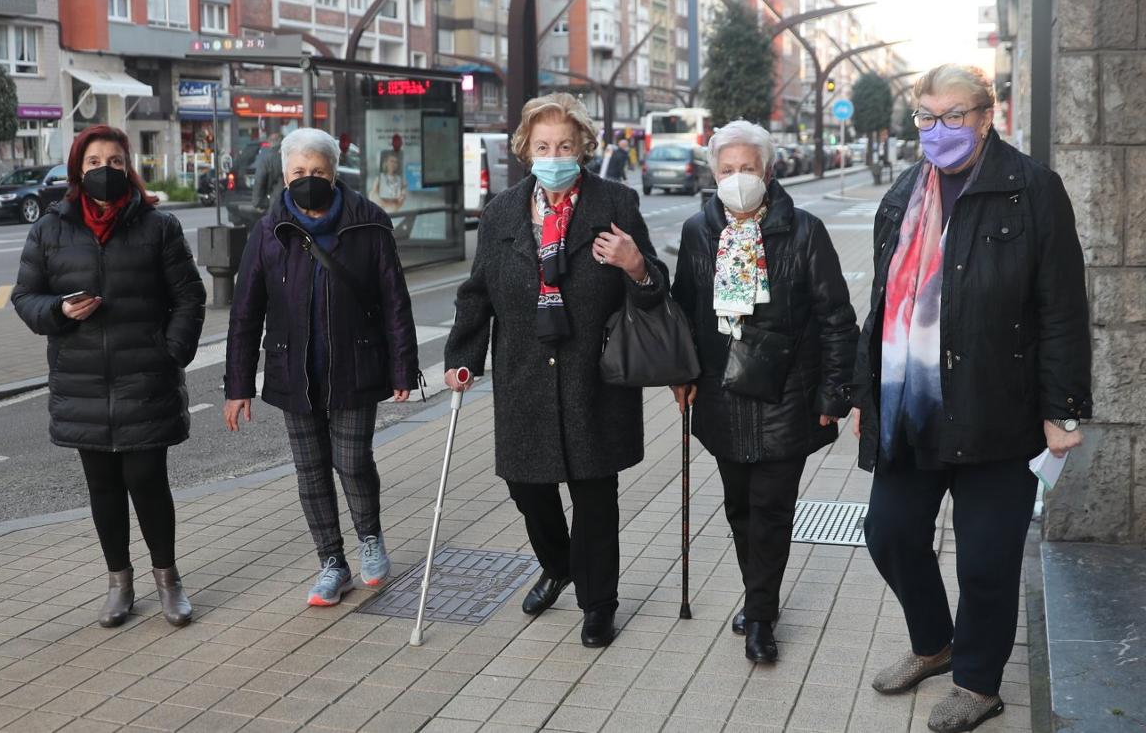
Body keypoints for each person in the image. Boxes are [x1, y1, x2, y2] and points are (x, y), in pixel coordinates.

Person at [850, 64, 1091, 733]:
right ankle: (935, 643)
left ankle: (978, 684)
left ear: (987, 117)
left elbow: (1063, 307)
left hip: (998, 408)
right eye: (927, 116)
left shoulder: (1033, 189)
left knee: (987, 557)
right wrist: (865, 397)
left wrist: (1062, 409)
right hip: (912, 406)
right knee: (890, 533)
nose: (938, 129)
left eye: (954, 115)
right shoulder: (902, 193)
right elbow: (883, 307)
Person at [443, 93, 667, 648]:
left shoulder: (615, 202)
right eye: (543, 145)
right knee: (526, 485)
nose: (554, 154)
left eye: (564, 144)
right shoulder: (501, 212)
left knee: (594, 493)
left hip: (594, 374)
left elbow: (658, 284)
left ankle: (598, 603)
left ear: (583, 147)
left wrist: (635, 264)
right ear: (525, 149)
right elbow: (477, 294)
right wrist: (462, 359)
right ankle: (558, 564)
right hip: (523, 373)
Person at [670, 120, 858, 664]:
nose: (737, 179)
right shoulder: (696, 231)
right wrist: (681, 375)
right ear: (713, 174)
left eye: (747, 169)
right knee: (738, 509)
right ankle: (758, 596)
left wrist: (834, 394)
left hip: (787, 396)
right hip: (720, 396)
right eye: (727, 170)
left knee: (771, 509)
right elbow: (684, 310)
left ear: (768, 171)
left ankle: (761, 617)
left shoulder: (804, 231)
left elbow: (837, 320)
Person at [11, 125, 206, 629]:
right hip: (82, 382)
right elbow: (25, 298)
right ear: (78, 169)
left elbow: (189, 295)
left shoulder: (158, 226)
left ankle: (169, 580)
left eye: (116, 162)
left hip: (145, 375)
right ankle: (119, 583)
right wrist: (58, 309)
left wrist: (172, 353)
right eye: (95, 161)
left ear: (128, 168)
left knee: (147, 480)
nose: (105, 170)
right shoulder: (50, 229)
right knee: (102, 485)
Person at [224, 128, 420, 607]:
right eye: (298, 173)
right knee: (310, 470)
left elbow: (394, 299)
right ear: (284, 175)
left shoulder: (368, 222)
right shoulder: (268, 231)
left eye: (317, 172)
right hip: (294, 370)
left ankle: (370, 538)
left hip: (354, 362)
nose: (307, 180)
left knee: (351, 462)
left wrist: (402, 368)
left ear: (333, 174)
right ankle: (332, 562)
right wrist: (238, 384)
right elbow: (245, 311)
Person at [251, 131, 285, 212]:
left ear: (269, 143)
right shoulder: (289, 156)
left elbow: (260, 180)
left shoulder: (267, 159)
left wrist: (258, 202)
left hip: (275, 200)